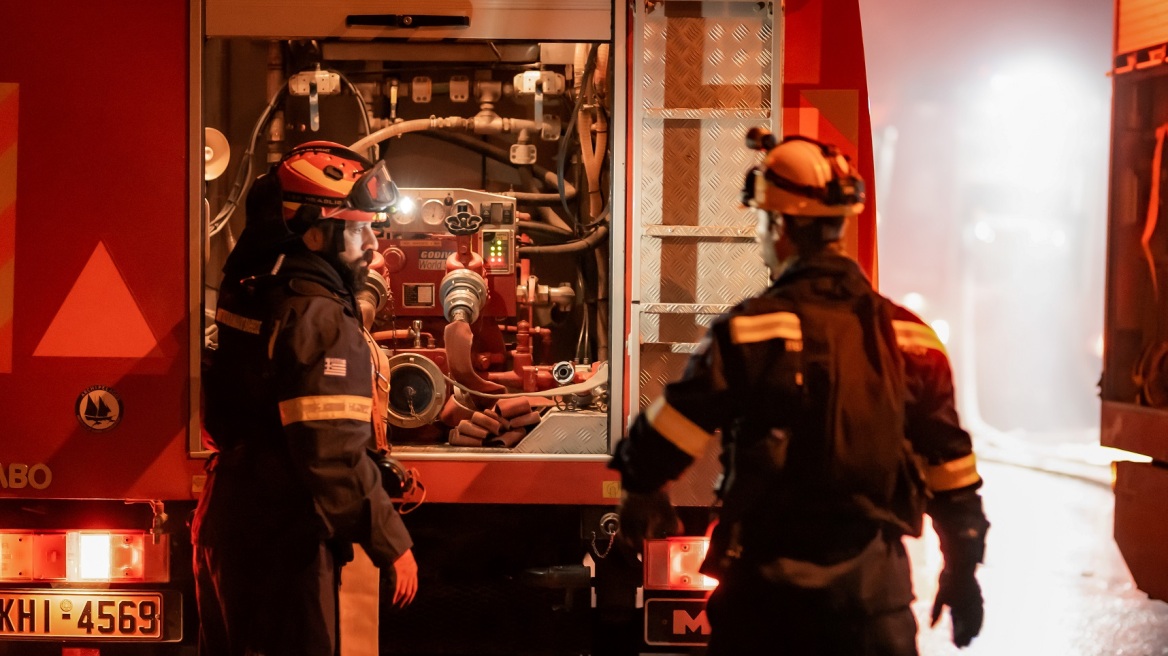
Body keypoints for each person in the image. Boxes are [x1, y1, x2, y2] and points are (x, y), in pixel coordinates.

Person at [610, 130, 989, 655]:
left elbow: (674, 424)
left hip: (768, 605)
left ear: (780, 226)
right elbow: (952, 469)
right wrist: (964, 568)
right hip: (874, 610)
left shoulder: (749, 333)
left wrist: (641, 490)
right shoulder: (912, 339)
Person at [193, 141, 418, 656]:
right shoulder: (318, 317)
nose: (372, 245)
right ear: (315, 232)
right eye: (359, 229)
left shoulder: (254, 287)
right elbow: (331, 452)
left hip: (229, 521)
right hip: (280, 540)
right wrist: (392, 544)